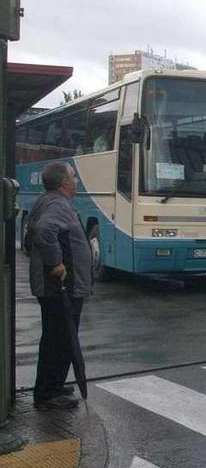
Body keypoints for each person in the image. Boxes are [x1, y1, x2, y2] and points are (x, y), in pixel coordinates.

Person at [26, 162, 93, 410]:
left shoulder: (48, 200)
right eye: (74, 177)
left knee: (57, 336)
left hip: (55, 286)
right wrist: (56, 263)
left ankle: (52, 383)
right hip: (61, 286)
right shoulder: (58, 204)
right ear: (64, 182)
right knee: (61, 338)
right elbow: (44, 231)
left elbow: (32, 232)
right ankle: (47, 394)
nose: (76, 181)